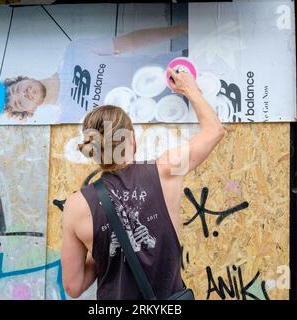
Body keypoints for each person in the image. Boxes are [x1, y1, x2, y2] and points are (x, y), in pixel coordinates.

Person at [61, 67, 225, 299]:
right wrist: (190, 89)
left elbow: (73, 286)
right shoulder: (167, 171)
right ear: (131, 139)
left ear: (94, 149)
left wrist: (103, 246)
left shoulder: (76, 206)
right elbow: (214, 131)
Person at [3, 24, 187, 121]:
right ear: (30, 112)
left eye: (17, 89)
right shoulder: (68, 120)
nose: (23, 93)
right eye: (20, 102)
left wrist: (184, 28)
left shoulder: (73, 51)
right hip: (175, 111)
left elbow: (131, 41)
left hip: (177, 68)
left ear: (24, 79)